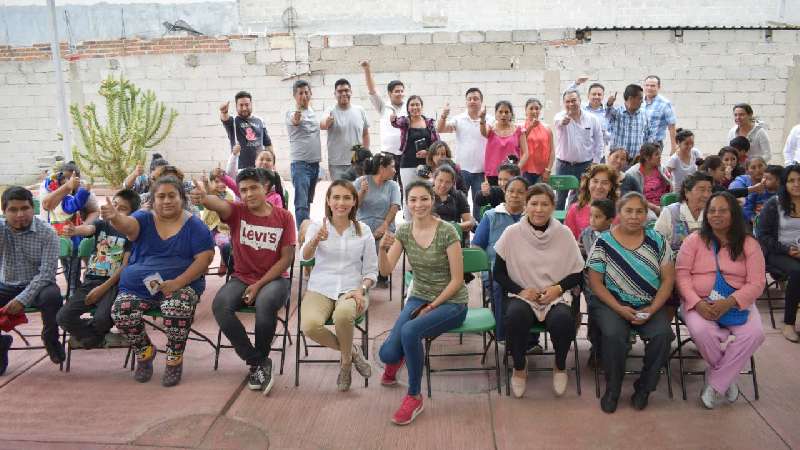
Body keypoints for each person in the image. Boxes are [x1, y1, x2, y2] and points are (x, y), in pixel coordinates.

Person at [193, 168, 296, 394]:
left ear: (266, 188)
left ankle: (259, 360)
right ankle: (257, 362)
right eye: (244, 190)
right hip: (242, 277)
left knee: (265, 303)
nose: (248, 194)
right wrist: (205, 198)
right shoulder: (237, 212)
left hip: (275, 279)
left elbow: (287, 258)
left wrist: (259, 285)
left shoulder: (284, 217)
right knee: (220, 305)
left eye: (254, 188)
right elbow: (218, 205)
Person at [105, 176, 214, 386]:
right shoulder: (144, 218)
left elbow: (205, 259)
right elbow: (128, 226)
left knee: (176, 307)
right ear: (153, 201)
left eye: (172, 195)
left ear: (181, 198)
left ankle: (174, 358)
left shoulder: (195, 225)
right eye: (161, 196)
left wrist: (178, 282)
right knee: (121, 310)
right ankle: (145, 353)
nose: (166, 201)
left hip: (182, 285)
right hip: (138, 287)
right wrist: (115, 218)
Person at [377, 181, 469, 425]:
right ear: (407, 204)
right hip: (419, 296)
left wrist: (432, 305)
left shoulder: (448, 231)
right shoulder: (404, 231)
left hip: (452, 301)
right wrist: (381, 249)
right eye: (413, 200)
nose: (419, 204)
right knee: (386, 353)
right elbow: (386, 270)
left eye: (424, 199)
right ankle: (404, 354)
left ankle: (414, 396)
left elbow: (458, 281)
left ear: (433, 199)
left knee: (410, 331)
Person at [587, 192, 675, 413]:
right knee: (614, 335)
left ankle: (644, 388)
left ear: (646, 215)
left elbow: (668, 280)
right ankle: (613, 389)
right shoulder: (604, 241)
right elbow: (596, 283)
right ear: (619, 213)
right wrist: (619, 308)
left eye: (640, 211)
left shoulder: (658, 241)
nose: (634, 216)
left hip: (648, 304)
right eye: (629, 211)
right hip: (611, 304)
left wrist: (653, 308)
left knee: (663, 335)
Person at [676, 192, 766, 409]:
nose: (716, 215)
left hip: (738, 302)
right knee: (702, 332)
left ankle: (717, 383)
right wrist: (697, 303)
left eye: (723, 210)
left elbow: (757, 283)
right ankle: (728, 378)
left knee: (755, 334)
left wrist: (731, 301)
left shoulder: (749, 244)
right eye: (712, 210)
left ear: (733, 214)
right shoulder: (694, 240)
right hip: (700, 302)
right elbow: (682, 275)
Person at [494, 183, 584, 398]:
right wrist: (522, 291)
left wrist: (557, 288)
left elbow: (578, 273)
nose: (539, 209)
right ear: (526, 205)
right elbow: (498, 273)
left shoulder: (564, 234)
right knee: (515, 316)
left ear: (553, 206)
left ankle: (560, 365)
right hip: (522, 295)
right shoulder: (512, 233)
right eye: (534, 203)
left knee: (563, 320)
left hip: (555, 296)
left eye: (545, 204)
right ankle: (518, 366)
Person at [300, 181, 378, 391]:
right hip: (320, 288)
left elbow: (371, 270)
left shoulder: (364, 231)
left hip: (352, 289)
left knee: (343, 316)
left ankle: (345, 365)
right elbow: (304, 257)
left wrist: (362, 289)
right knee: (309, 325)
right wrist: (316, 240)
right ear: (328, 200)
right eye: (336, 197)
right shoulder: (318, 227)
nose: (340, 203)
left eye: (346, 198)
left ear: (354, 202)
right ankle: (351, 353)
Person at [57, 189, 140, 349]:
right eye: (113, 205)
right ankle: (97, 338)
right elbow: (88, 229)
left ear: (133, 215)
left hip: (114, 285)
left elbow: (125, 266)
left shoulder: (130, 234)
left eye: (122, 209)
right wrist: (75, 230)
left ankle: (89, 338)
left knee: (103, 318)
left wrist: (101, 290)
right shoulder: (102, 225)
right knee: (63, 317)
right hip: (91, 281)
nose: (115, 210)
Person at [0, 186, 63, 373]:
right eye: (13, 209)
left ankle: (51, 338)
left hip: (38, 285)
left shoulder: (47, 232)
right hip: (6, 283)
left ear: (33, 209)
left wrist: (22, 299)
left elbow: (46, 274)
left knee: (52, 296)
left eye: (25, 208)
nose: (20, 214)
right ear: (4, 212)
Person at [472, 176, 530, 343]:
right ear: (505, 192)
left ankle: (531, 339)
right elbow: (477, 248)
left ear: (527, 195)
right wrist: (484, 270)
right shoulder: (491, 216)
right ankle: (502, 335)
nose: (515, 195)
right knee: (500, 284)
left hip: (526, 271)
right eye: (511, 191)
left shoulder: (532, 216)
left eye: (520, 192)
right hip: (494, 272)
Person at [755, 164, 800, 342]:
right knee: (798, 272)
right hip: (777, 252)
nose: (796, 184)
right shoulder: (775, 203)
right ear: (785, 183)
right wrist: (787, 249)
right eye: (791, 181)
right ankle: (788, 324)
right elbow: (763, 235)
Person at [437, 88, 493, 219]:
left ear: (481, 101)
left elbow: (489, 133)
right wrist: (444, 115)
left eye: (476, 98)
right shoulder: (459, 119)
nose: (473, 101)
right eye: (470, 99)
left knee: (479, 204)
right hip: (462, 170)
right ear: (466, 101)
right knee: (459, 203)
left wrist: (482, 119)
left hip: (482, 170)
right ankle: (461, 234)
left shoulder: (490, 119)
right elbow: (441, 129)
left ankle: (477, 234)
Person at [355, 152, 401, 288]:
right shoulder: (361, 181)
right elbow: (353, 206)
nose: (395, 170)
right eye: (392, 167)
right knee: (361, 240)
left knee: (381, 241)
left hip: (385, 225)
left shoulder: (393, 185)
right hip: (363, 226)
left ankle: (378, 274)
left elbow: (394, 207)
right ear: (382, 168)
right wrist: (362, 192)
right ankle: (367, 275)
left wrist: (385, 225)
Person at [553, 89, 604, 209]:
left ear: (580, 101)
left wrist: (596, 162)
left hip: (585, 166)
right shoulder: (560, 117)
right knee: (560, 197)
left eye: (574, 100)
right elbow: (559, 123)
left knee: (579, 197)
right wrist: (564, 121)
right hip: (563, 165)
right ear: (564, 103)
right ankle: (557, 224)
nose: (571, 104)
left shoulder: (592, 119)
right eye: (568, 101)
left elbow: (599, 142)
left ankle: (572, 223)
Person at [286, 80, 322, 229]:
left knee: (307, 201)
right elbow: (295, 120)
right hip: (300, 165)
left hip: (314, 164)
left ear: (311, 94)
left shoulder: (313, 112)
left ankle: (306, 227)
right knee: (301, 203)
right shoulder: (291, 113)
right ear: (295, 96)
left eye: (306, 92)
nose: (304, 95)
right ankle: (302, 233)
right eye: (300, 93)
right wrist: (297, 118)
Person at [321, 79, 370, 181]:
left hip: (358, 163)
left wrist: (365, 155)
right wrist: (327, 122)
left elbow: (365, 134)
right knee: (341, 194)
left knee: (359, 194)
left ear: (351, 92)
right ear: (335, 94)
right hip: (337, 165)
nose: (344, 93)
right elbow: (322, 124)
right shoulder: (330, 111)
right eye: (340, 91)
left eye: (346, 90)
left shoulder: (360, 110)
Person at [654, 172, 714, 254]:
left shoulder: (713, 213)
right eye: (702, 190)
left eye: (709, 190)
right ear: (687, 192)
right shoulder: (671, 212)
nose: (707, 195)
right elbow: (656, 243)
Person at [391, 95, 439, 192]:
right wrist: (393, 119)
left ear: (422, 106)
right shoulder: (405, 121)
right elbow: (396, 123)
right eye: (412, 105)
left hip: (426, 165)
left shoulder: (429, 123)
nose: (415, 107)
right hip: (407, 165)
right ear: (408, 108)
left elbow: (437, 145)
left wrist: (428, 152)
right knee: (408, 193)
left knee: (427, 192)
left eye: (417, 104)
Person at [362, 61, 405, 166]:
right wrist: (367, 69)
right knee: (388, 181)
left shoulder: (409, 107)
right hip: (388, 155)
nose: (400, 94)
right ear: (390, 93)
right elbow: (372, 90)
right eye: (397, 91)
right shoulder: (383, 107)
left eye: (401, 91)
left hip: (405, 153)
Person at [220, 91, 273, 169]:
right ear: (236, 106)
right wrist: (224, 112)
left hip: (259, 168)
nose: (244, 108)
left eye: (247, 105)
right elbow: (225, 118)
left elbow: (268, 144)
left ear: (251, 104)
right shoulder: (233, 121)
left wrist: (273, 165)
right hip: (240, 169)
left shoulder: (260, 121)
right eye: (241, 105)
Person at [564, 164, 619, 240]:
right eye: (595, 181)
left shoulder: (618, 212)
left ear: (610, 186)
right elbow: (567, 239)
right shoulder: (574, 209)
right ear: (588, 183)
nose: (599, 186)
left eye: (605, 183)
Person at [606, 84, 653, 160]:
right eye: (640, 99)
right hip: (618, 161)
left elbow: (649, 135)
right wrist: (609, 104)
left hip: (636, 161)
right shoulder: (617, 112)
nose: (642, 102)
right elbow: (607, 113)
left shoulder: (644, 115)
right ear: (631, 98)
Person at [623, 143, 671, 217]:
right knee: (652, 218)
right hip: (645, 206)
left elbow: (670, 187)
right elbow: (631, 197)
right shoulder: (632, 173)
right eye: (656, 154)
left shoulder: (661, 169)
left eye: (660, 154)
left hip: (664, 204)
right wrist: (654, 208)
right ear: (647, 157)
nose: (660, 157)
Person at [202, 172, 234, 275]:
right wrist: (206, 183)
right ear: (211, 183)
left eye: (223, 181)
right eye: (216, 182)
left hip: (222, 228)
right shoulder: (211, 194)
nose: (221, 184)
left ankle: (224, 262)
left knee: (224, 244)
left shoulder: (229, 196)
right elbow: (207, 192)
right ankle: (203, 265)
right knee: (203, 247)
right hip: (208, 228)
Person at [520, 98, 554, 185]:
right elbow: (519, 143)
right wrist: (531, 126)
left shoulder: (547, 128)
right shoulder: (521, 127)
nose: (534, 111)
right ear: (526, 110)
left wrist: (548, 170)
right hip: (525, 171)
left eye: (537, 108)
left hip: (542, 172)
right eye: (531, 108)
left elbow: (552, 151)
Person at [431, 166, 474, 234]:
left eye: (447, 182)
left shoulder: (459, 196)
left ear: (452, 183)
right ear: (434, 179)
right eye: (440, 180)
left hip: (453, 235)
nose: (443, 185)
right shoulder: (425, 194)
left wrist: (449, 226)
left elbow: (469, 223)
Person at [569, 76, 610, 145]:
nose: (596, 97)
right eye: (594, 94)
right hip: (581, 152)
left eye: (599, 94)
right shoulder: (581, 108)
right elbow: (568, 95)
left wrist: (604, 134)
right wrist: (577, 83)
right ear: (588, 95)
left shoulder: (607, 112)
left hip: (599, 153)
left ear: (603, 96)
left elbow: (611, 136)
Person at [643, 75, 677, 154]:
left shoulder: (665, 104)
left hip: (655, 144)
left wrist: (674, 148)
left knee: (651, 166)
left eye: (652, 86)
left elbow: (672, 126)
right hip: (639, 143)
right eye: (647, 85)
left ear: (658, 87)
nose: (649, 88)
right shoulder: (639, 101)